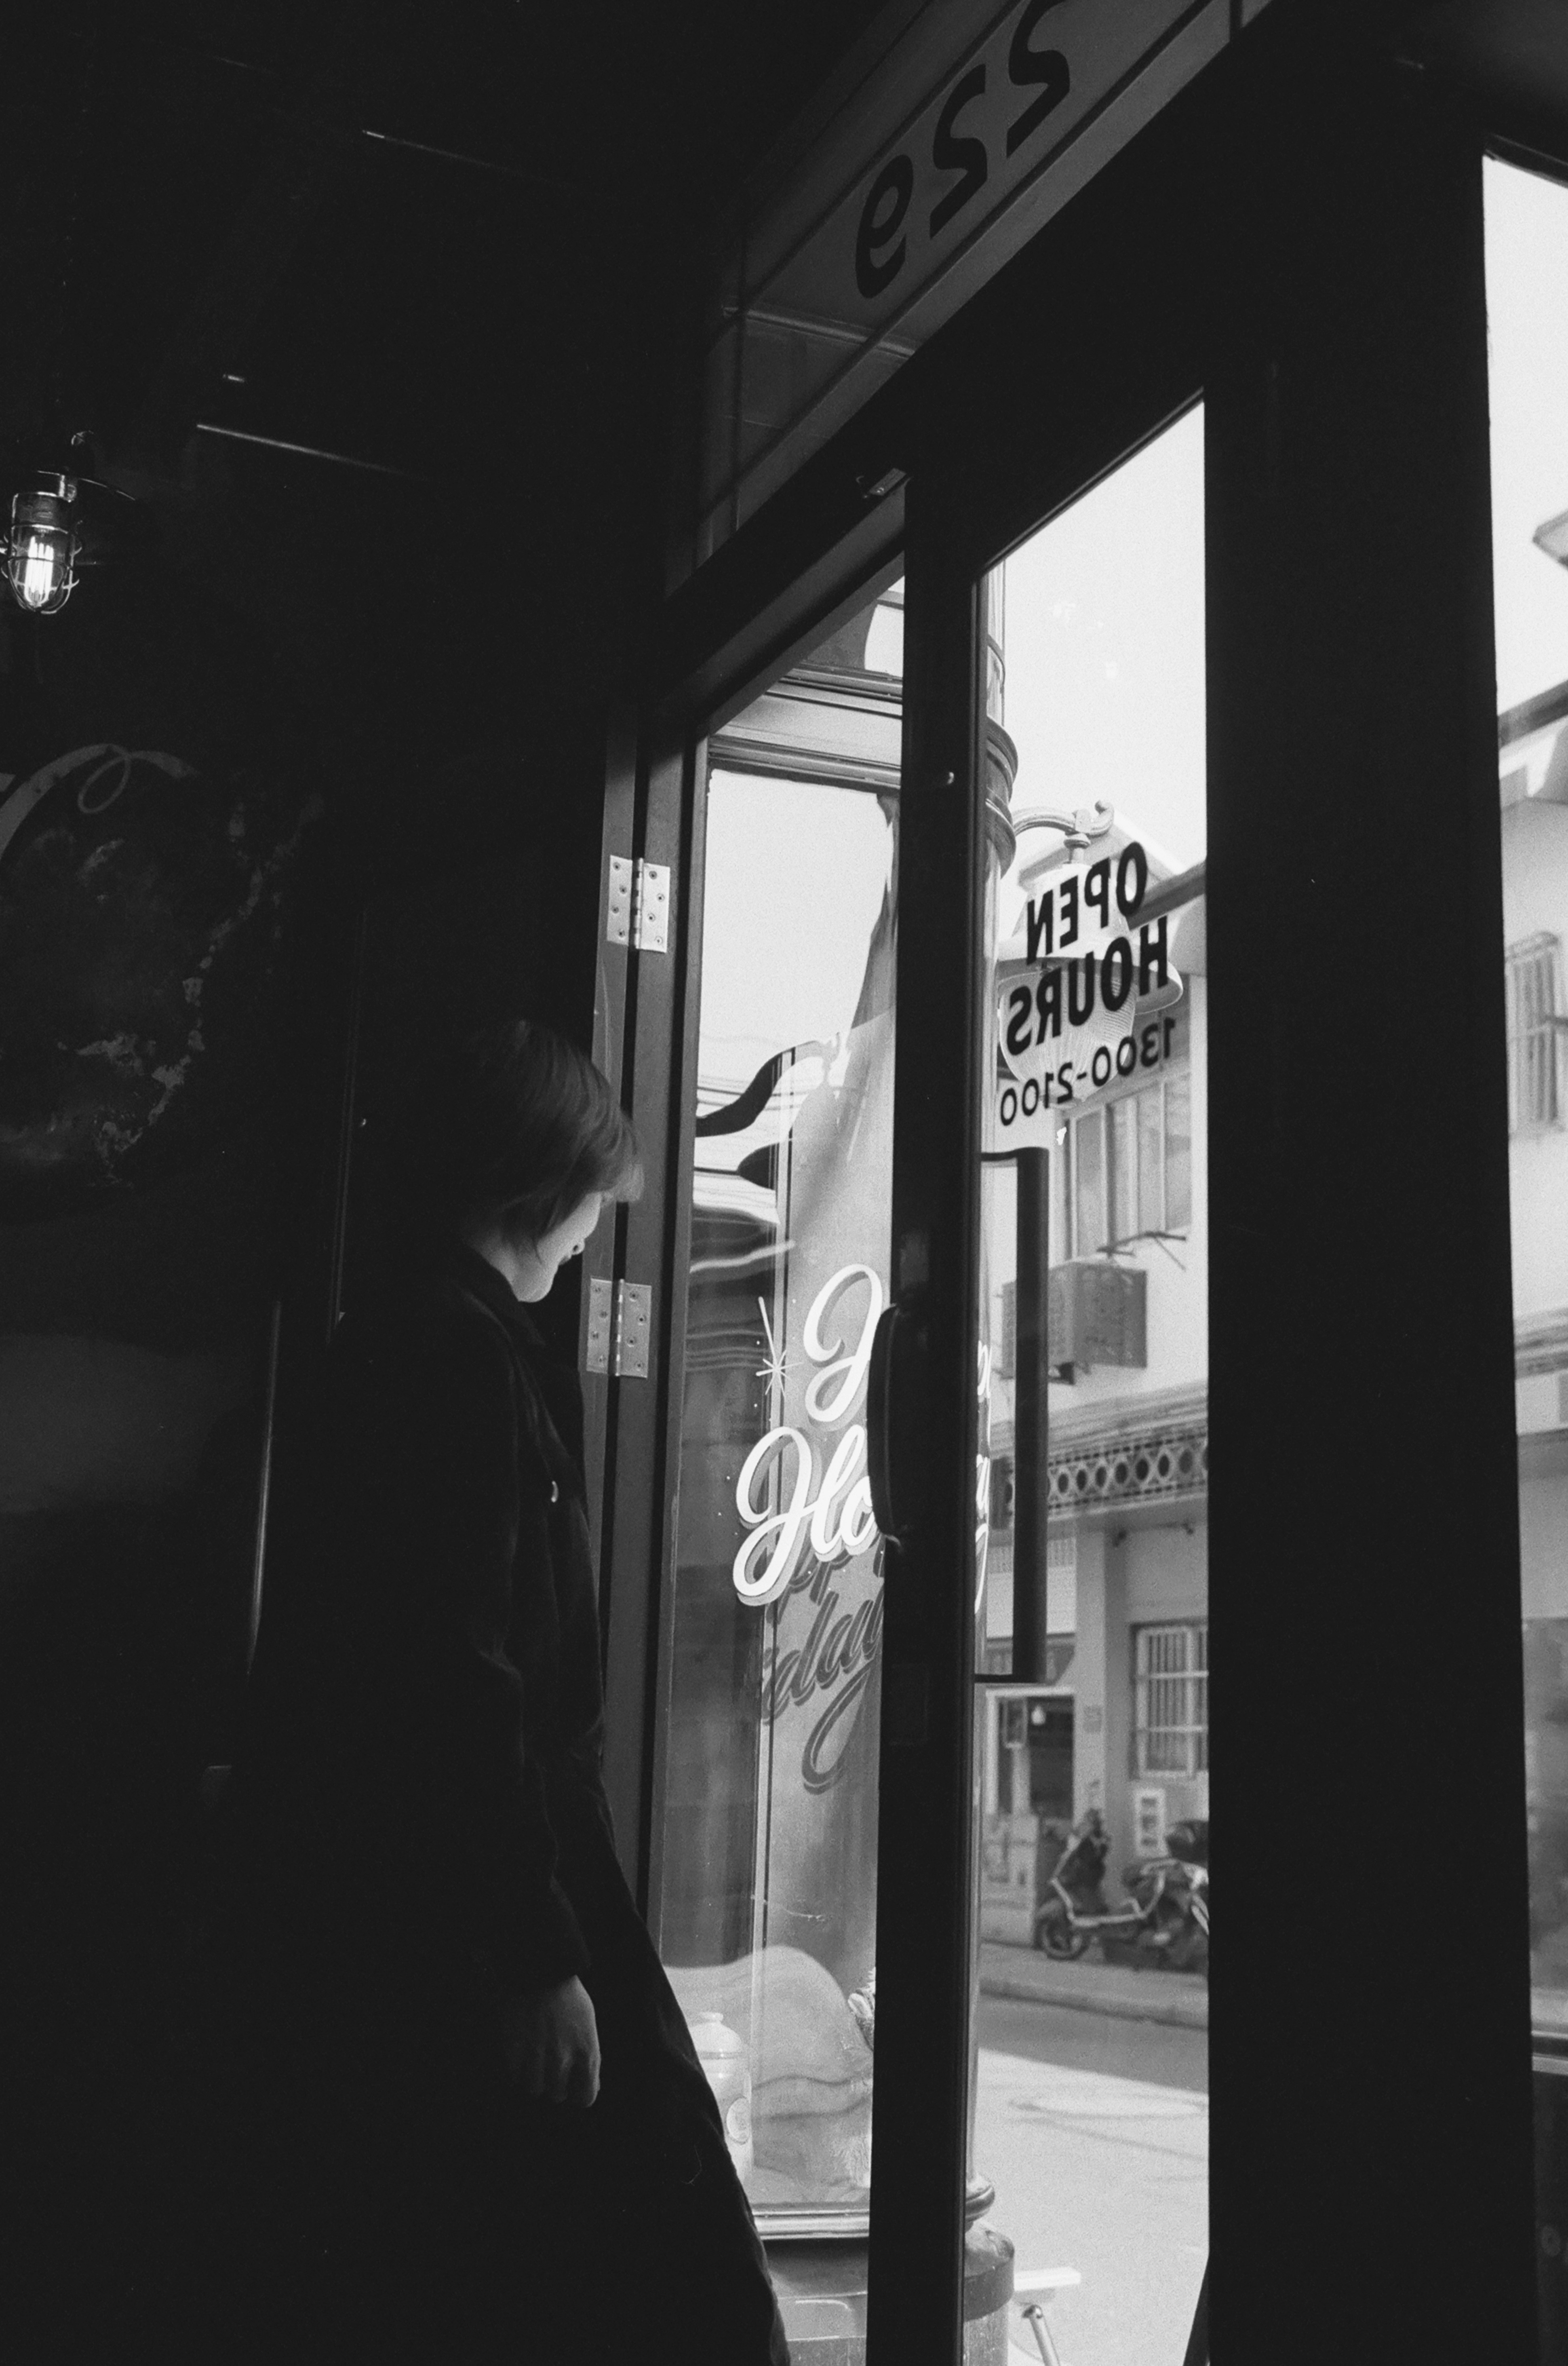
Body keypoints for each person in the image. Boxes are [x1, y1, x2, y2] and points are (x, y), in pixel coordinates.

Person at [205, 1020, 790, 2363]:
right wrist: (536, 1952)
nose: (596, 1231)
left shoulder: (410, 1339)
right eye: (593, 1197)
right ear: (541, 1183)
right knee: (668, 2248)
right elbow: (453, 1670)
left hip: (429, 1891)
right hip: (483, 1894)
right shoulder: (452, 1358)